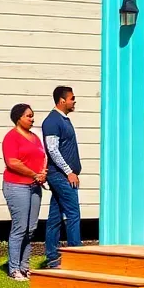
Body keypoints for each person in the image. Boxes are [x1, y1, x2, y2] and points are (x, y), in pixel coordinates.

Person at [1, 103, 45, 281]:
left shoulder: (35, 137)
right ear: (18, 117)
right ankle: (13, 268)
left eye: (32, 116)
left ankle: (25, 266)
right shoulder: (11, 138)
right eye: (28, 116)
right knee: (19, 227)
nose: (32, 119)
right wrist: (34, 174)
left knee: (31, 228)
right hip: (17, 185)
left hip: (35, 186)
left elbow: (43, 157)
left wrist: (42, 173)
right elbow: (12, 162)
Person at [42, 85, 82, 269]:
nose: (74, 101)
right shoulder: (52, 121)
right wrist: (69, 172)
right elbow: (52, 150)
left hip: (64, 175)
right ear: (62, 100)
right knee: (73, 213)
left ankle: (52, 257)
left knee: (55, 217)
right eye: (72, 98)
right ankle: (77, 254)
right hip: (61, 176)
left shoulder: (64, 120)